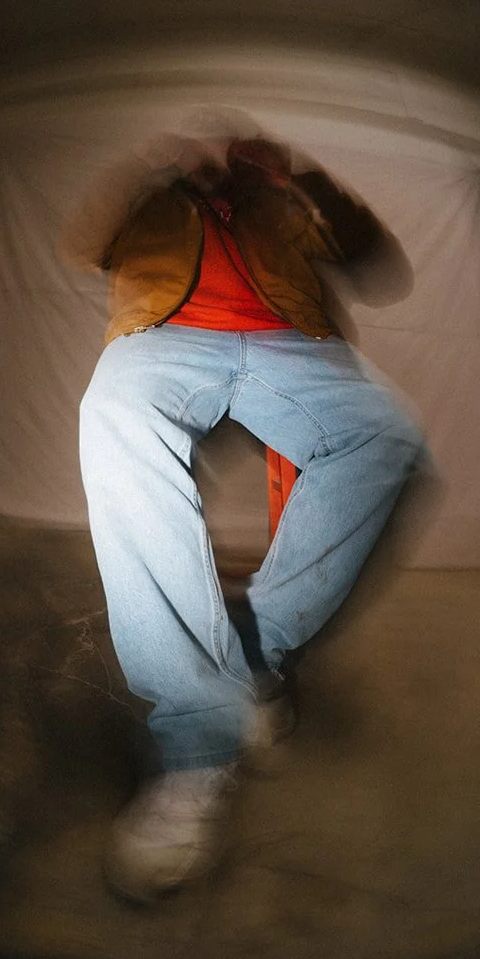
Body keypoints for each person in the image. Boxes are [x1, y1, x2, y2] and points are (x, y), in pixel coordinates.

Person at [67, 116, 427, 902]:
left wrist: (297, 176)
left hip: (290, 345)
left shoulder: (281, 205)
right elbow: (83, 242)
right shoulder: (155, 202)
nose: (217, 159)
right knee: (115, 413)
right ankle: (196, 747)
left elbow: (373, 260)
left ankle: (252, 666)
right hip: (162, 338)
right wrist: (152, 161)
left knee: (386, 437)